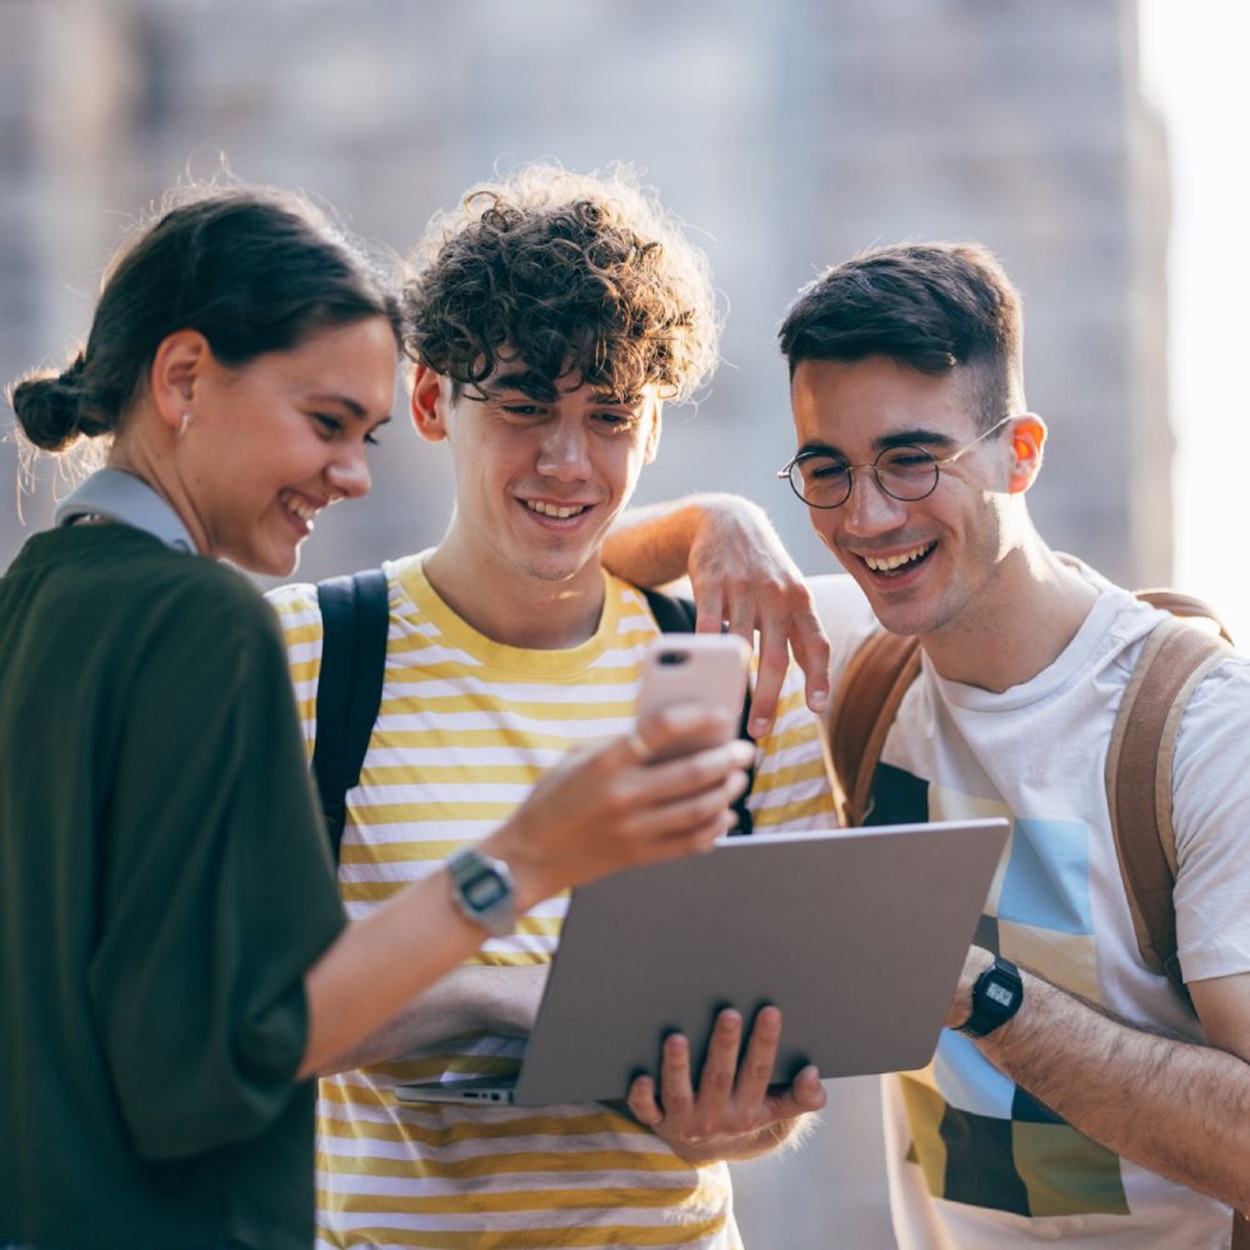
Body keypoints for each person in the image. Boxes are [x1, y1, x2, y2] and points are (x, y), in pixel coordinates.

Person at [0, 183, 760, 1250]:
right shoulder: (214, 627)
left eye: (612, 415)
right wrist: (521, 866)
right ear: (182, 379)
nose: (354, 477)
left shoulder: (39, 592)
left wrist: (709, 521)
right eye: (324, 423)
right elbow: (217, 1054)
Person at [627, 239, 1250, 1247]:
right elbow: (584, 580)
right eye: (825, 471)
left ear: (1020, 451)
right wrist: (719, 521)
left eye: (912, 459)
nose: (867, 516)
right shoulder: (851, 662)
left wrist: (978, 991)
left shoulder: (1202, 729)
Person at [266, 162, 835, 1250]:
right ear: (432, 401)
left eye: (610, 415)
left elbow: (787, 1044)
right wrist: (507, 997)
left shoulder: (735, 669)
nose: (567, 461)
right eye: (525, 404)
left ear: (652, 429)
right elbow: (244, 1016)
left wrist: (731, 1120)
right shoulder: (306, 659)